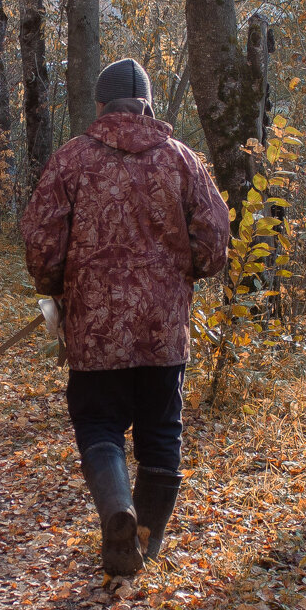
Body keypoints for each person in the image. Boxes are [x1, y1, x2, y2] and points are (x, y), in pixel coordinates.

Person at [21, 58, 230, 576]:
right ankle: (145, 541)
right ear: (148, 105)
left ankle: (118, 512)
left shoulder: (71, 160)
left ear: (100, 104)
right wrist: (179, 278)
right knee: (162, 432)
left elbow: (41, 244)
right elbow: (215, 241)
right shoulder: (182, 161)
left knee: (98, 425)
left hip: (95, 333)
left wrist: (58, 289)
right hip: (164, 332)